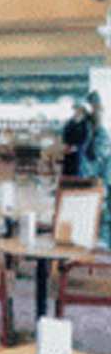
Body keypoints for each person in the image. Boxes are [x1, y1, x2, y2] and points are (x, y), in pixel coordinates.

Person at [83, 91, 111, 246]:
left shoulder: (101, 134)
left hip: (99, 183)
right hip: (91, 182)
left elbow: (99, 155)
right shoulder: (91, 130)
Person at [62, 103, 90, 176]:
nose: (76, 112)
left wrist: (76, 147)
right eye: (75, 110)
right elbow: (65, 133)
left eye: (78, 110)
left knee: (77, 167)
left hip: (79, 149)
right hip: (68, 148)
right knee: (67, 167)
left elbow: (86, 138)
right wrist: (65, 144)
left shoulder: (85, 123)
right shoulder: (70, 121)